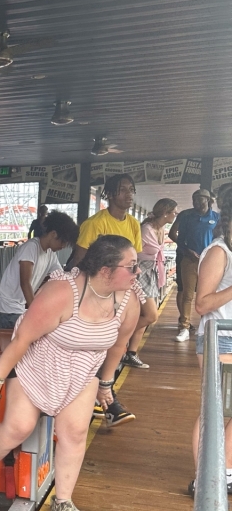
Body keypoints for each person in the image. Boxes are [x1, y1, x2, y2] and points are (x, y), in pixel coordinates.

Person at [0, 235, 141, 511]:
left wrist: (106, 384)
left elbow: (118, 346)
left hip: (82, 372)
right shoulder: (61, 293)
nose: (137, 272)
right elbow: (22, 339)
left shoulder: (129, 301)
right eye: (131, 267)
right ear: (106, 270)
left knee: (76, 433)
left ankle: (63, 500)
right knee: (18, 427)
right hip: (37, 365)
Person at [67, 173, 143, 424]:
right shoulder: (94, 223)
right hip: (95, 288)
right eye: (123, 190)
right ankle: (100, 396)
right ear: (110, 194)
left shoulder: (132, 224)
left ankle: (105, 388)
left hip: (121, 286)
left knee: (142, 317)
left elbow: (135, 260)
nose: (129, 194)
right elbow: (80, 261)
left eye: (131, 189)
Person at [189, 185, 232, 497]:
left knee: (225, 411)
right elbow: (202, 303)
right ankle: (204, 479)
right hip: (220, 338)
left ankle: (225, 471)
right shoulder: (219, 251)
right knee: (216, 411)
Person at [0, 211, 79, 330]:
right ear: (53, 234)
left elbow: (61, 278)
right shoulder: (31, 247)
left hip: (16, 308)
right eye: (63, 242)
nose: (63, 246)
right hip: (4, 310)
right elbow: (25, 283)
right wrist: (35, 312)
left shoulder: (50, 254)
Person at [121, 198, 178, 367]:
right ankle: (118, 340)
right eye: (174, 212)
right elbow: (132, 252)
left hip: (151, 272)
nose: (175, 215)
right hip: (140, 272)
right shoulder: (146, 230)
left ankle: (131, 353)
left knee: (143, 315)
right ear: (166, 213)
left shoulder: (161, 229)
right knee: (151, 315)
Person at [169, 188, 219, 342]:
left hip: (209, 261)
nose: (196, 202)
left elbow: (219, 238)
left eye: (199, 199)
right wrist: (187, 251)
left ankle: (206, 327)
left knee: (207, 295)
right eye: (194, 199)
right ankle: (184, 327)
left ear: (208, 200)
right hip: (189, 259)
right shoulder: (187, 216)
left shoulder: (216, 217)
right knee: (187, 294)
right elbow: (179, 237)